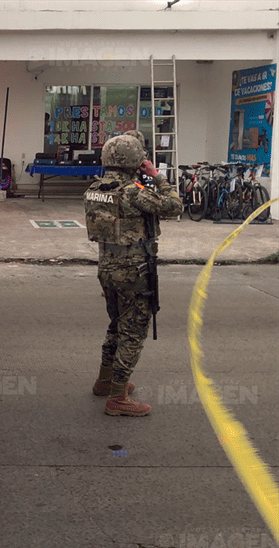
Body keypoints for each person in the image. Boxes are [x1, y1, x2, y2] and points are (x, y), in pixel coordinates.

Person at [84, 132, 183, 416]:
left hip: (107, 268)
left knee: (116, 324)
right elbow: (174, 206)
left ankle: (104, 381)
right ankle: (117, 398)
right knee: (133, 331)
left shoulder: (94, 189)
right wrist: (157, 175)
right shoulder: (134, 192)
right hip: (133, 271)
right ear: (134, 160)